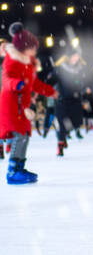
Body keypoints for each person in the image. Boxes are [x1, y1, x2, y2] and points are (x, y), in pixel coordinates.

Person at [0, 23, 57, 184]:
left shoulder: (28, 64)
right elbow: (6, 79)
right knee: (20, 136)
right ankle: (12, 172)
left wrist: (49, 91)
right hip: (11, 104)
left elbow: (34, 83)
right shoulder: (12, 60)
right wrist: (15, 83)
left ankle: (19, 167)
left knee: (25, 135)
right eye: (32, 48)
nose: (35, 51)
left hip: (21, 106)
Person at [54, 52, 86, 157]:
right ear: (70, 56)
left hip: (75, 99)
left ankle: (65, 135)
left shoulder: (80, 69)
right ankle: (60, 145)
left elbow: (82, 82)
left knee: (74, 122)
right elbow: (54, 80)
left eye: (78, 57)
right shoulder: (61, 68)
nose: (76, 58)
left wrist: (81, 88)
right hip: (62, 99)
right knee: (61, 123)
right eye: (74, 56)